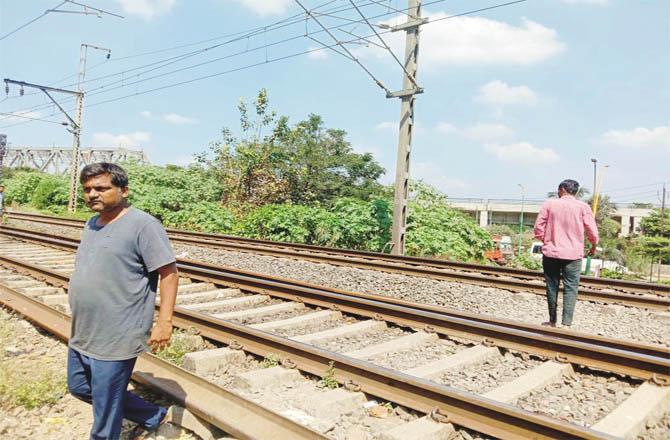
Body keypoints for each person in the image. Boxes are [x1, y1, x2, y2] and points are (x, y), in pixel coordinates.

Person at [67, 162, 179, 440]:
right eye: (88, 189)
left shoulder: (143, 225)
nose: (93, 194)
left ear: (124, 190)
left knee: (105, 413)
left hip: (118, 331)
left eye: (102, 188)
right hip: (84, 330)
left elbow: (169, 274)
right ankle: (152, 416)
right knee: (80, 387)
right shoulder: (92, 223)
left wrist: (164, 323)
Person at [533, 179, 599, 328]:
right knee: (571, 288)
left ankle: (552, 321)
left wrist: (546, 239)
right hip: (573, 255)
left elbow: (538, 227)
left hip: (551, 253)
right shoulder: (583, 207)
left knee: (552, 286)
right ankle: (566, 324)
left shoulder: (549, 204)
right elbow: (592, 231)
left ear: (562, 189)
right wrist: (593, 245)